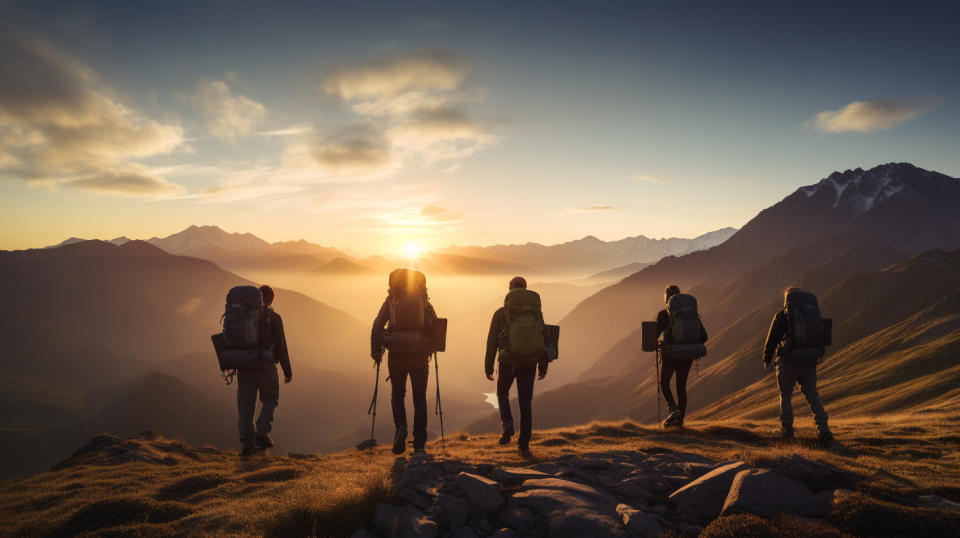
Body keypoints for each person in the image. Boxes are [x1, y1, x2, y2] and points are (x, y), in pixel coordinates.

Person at [371, 270, 438, 455]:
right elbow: (435, 324)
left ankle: (401, 429)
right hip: (419, 355)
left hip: (397, 355)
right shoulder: (423, 301)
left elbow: (377, 325)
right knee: (419, 398)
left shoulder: (391, 300)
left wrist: (376, 351)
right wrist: (430, 345)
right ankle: (419, 443)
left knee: (398, 393)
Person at [485, 276, 548, 455]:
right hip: (529, 362)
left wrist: (488, 367)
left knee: (502, 392)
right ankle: (524, 443)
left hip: (507, 361)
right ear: (525, 289)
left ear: (510, 289)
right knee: (525, 402)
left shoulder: (500, 313)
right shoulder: (536, 313)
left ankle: (508, 425)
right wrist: (543, 365)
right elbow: (543, 338)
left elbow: (491, 342)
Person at [762, 287, 833, 442]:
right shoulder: (812, 314)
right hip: (809, 359)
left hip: (788, 360)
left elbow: (772, 338)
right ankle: (824, 430)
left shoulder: (783, 316)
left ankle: (786, 430)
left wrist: (767, 359)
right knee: (812, 395)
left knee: (785, 395)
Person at [238, 284, 292, 456]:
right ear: (271, 300)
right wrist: (287, 370)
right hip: (265, 366)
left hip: (245, 365)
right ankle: (262, 430)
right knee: (270, 399)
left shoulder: (242, 317)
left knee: (246, 405)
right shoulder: (274, 318)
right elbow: (281, 346)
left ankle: (247, 443)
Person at [656, 284, 707, 428]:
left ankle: (672, 409)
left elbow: (653, 336)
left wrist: (660, 343)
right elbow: (703, 335)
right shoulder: (691, 315)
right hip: (687, 355)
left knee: (664, 383)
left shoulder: (663, 314)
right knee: (681, 387)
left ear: (667, 298)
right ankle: (680, 423)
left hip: (670, 354)